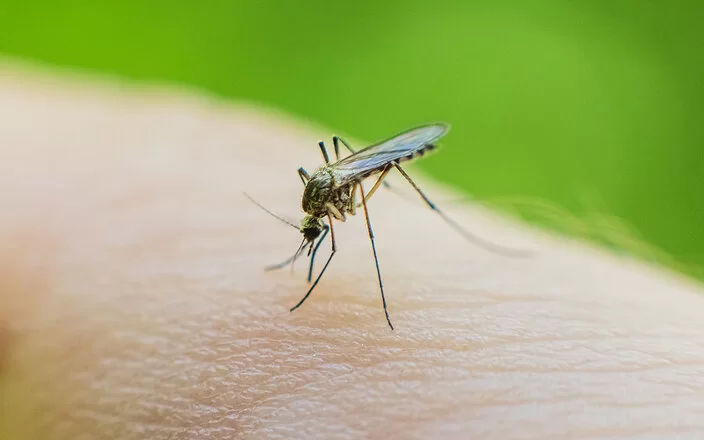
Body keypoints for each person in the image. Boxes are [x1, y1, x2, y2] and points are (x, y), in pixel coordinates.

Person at [2, 64, 704, 439]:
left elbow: (337, 214)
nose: (312, 232)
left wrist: (330, 232)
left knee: (362, 216)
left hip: (381, 158)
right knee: (334, 182)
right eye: (309, 233)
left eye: (307, 235)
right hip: (350, 170)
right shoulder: (316, 201)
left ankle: (452, 222)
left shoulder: (332, 198)